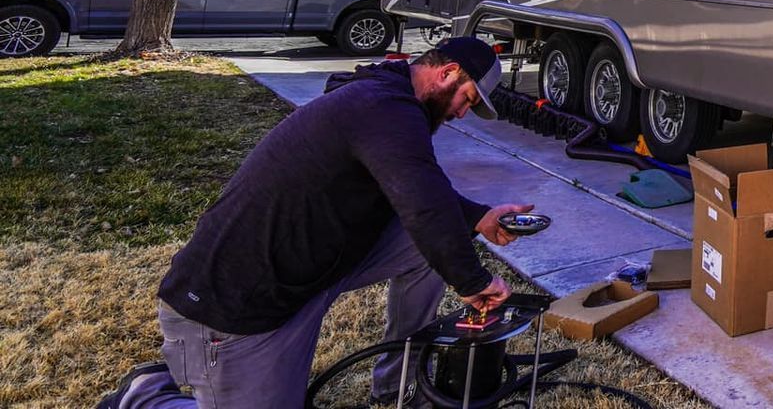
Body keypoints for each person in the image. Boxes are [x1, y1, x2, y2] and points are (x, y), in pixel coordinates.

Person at [99, 36, 536, 409]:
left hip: (309, 274)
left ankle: (399, 383)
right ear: (448, 73)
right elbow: (422, 205)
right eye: (468, 100)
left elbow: (422, 193)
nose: (462, 113)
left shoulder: (385, 98)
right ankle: (148, 394)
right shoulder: (383, 108)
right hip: (233, 309)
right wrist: (472, 281)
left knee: (432, 241)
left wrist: (477, 217)